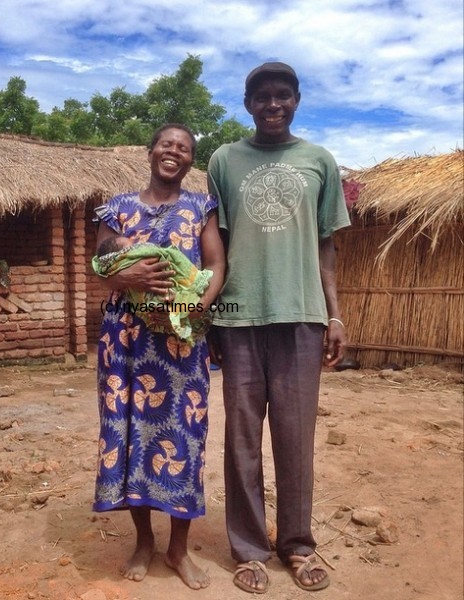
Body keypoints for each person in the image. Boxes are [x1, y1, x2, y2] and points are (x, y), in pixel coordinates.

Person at [207, 62, 350, 594]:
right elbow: (214, 244)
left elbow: (326, 245)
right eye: (263, 96)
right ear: (247, 103)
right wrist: (210, 318)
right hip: (239, 317)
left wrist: (333, 313)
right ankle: (247, 550)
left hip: (301, 318)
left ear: (297, 100)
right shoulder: (224, 160)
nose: (273, 104)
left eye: (283, 95)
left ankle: (296, 544)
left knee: (296, 439)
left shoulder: (318, 161)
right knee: (241, 441)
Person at [92, 123, 225, 590]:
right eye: (167, 145)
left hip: (181, 343)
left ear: (191, 161)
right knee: (131, 435)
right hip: (124, 341)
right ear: (150, 152)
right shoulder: (117, 209)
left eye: (184, 148)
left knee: (184, 438)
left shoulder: (202, 207)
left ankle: (178, 549)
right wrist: (126, 280)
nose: (175, 152)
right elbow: (102, 266)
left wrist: (189, 311)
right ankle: (144, 542)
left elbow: (216, 265)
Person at [92, 236, 214, 345]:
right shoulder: (114, 215)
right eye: (131, 244)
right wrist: (128, 275)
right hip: (127, 328)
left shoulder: (203, 210)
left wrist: (196, 309)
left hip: (185, 313)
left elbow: (215, 262)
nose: (136, 244)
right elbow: (101, 270)